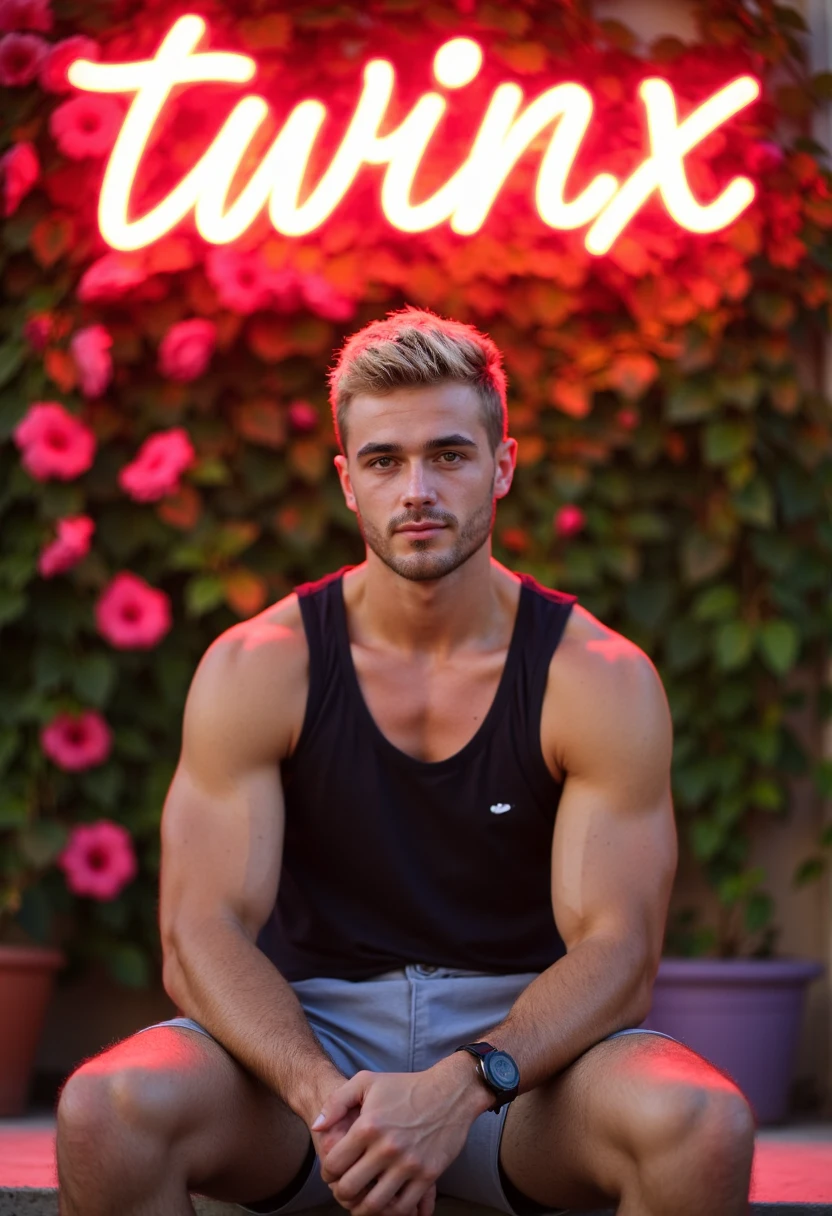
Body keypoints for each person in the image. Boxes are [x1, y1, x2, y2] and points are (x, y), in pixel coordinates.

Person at [55, 307, 755, 1216]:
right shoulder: (260, 667)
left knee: (703, 1124)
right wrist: (327, 1100)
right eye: (385, 461)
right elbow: (202, 934)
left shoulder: (598, 678)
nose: (416, 488)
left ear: (501, 467)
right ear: (349, 482)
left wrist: (460, 1087)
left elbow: (619, 950)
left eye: (450, 455)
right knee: (105, 1110)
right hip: (309, 1046)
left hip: (523, 1070)